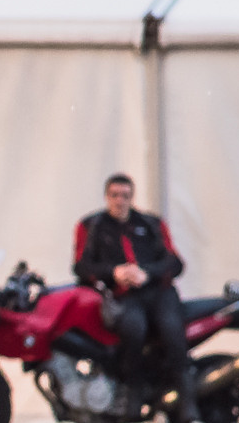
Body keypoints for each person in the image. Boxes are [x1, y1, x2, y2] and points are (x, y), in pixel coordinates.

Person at [72, 173, 194, 408]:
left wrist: (146, 273)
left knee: (172, 331)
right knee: (132, 329)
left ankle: (189, 404)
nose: (120, 201)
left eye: (125, 196)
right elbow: (81, 266)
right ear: (106, 197)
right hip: (123, 297)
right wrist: (114, 272)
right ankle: (133, 394)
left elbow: (175, 263)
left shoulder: (151, 224)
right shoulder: (91, 226)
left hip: (160, 294)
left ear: (132, 197)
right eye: (115, 195)